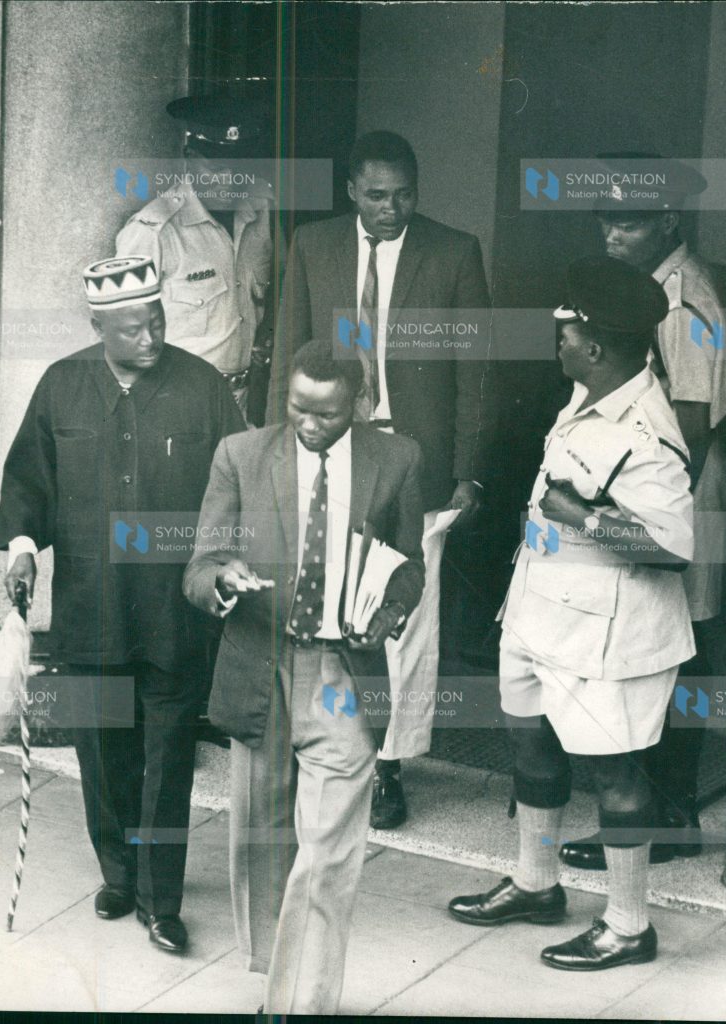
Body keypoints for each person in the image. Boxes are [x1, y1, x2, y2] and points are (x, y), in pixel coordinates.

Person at [448, 257, 695, 972]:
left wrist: (582, 516)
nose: (555, 341)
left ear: (594, 346)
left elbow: (673, 548)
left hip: (606, 637)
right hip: (537, 614)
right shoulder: (590, 394)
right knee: (530, 747)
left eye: (566, 332)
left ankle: (627, 924)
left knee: (616, 776)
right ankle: (535, 882)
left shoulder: (647, 433)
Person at [0, 256, 245, 953]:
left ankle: (161, 900)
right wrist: (20, 549)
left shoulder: (204, 388)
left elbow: (239, 488)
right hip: (91, 606)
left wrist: (226, 563)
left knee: (167, 755)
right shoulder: (61, 385)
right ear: (98, 324)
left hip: (174, 610)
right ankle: (120, 872)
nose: (150, 338)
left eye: (157, 321)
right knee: (100, 749)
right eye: (132, 328)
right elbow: (27, 482)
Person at [184, 340, 425, 1013]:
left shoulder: (397, 459)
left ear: (359, 403)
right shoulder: (242, 455)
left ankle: (294, 1004)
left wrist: (390, 612)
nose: (309, 426)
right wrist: (222, 581)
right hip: (259, 665)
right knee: (262, 838)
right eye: (298, 410)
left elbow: (408, 567)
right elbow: (201, 563)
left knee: (326, 853)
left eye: (326, 414)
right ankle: (275, 969)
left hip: (340, 673)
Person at [266, 130, 493, 829]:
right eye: (376, 195)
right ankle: (330, 747)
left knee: (405, 620)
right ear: (350, 192)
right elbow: (287, 353)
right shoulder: (313, 246)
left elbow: (475, 372)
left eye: (403, 195)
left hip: (412, 459)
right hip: (331, 450)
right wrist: (280, 450)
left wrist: (469, 474)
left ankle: (389, 765)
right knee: (325, 600)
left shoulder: (452, 252)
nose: (391, 208)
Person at [561, 152, 726, 870]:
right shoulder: (642, 288)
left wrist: (634, 510)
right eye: (603, 218)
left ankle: (665, 815)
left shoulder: (685, 300)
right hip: (657, 492)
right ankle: (645, 810)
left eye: (627, 221)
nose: (610, 233)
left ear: (668, 219)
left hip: (682, 494)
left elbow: (691, 425)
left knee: (678, 654)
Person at [116, 89, 284, 425]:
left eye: (241, 169)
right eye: (217, 168)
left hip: (246, 402)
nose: (229, 181)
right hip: (177, 405)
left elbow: (277, 293)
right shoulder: (153, 232)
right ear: (189, 156)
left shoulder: (263, 210)